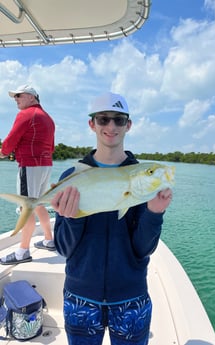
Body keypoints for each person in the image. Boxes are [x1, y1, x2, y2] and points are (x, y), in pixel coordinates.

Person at [50, 91, 173, 345]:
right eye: (103, 119)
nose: (111, 126)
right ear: (91, 124)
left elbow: (143, 249)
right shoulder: (71, 176)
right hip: (79, 298)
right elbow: (63, 248)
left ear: (128, 125)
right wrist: (73, 218)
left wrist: (154, 213)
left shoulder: (142, 180)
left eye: (118, 120)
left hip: (131, 299)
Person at [0, 84, 55, 265]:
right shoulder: (48, 118)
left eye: (19, 96)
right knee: (38, 204)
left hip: (29, 166)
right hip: (45, 165)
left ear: (31, 97)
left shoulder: (26, 114)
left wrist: (3, 152)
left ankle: (23, 252)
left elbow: (11, 140)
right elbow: (52, 146)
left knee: (27, 207)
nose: (16, 99)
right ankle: (49, 240)